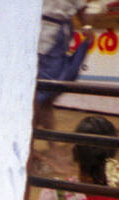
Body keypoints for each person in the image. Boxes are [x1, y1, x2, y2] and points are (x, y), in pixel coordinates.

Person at [34, 1, 94, 132]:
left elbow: (81, 8)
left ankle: (48, 145)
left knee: (45, 99)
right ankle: (36, 146)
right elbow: (82, 8)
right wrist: (87, 26)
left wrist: (87, 26)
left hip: (48, 36)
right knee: (41, 97)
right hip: (47, 39)